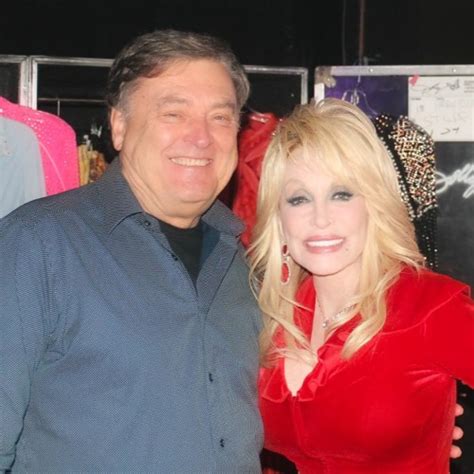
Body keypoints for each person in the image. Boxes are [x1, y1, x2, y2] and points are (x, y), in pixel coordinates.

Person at [0, 29, 263, 472]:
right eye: (174, 113)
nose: (201, 137)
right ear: (119, 126)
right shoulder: (37, 246)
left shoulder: (243, 264)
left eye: (220, 117)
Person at [250, 98, 474, 473]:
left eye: (341, 194)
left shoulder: (429, 307)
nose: (320, 218)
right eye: (299, 198)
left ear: (374, 202)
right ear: (279, 218)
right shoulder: (268, 317)